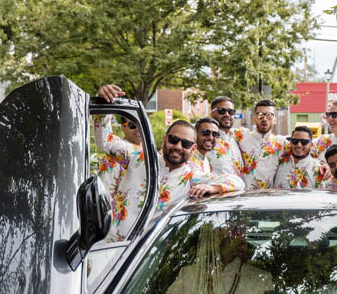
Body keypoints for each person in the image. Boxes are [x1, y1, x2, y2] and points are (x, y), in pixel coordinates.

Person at [99, 84, 245, 241]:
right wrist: (104, 103)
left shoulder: (191, 178)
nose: (178, 147)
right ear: (164, 139)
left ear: (193, 148)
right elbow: (105, 142)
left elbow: (237, 182)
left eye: (186, 144)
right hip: (108, 243)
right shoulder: (139, 156)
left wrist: (212, 187)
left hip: (140, 255)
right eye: (173, 140)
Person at [158, 223, 272, 294]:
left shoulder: (260, 279)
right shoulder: (187, 275)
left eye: (224, 236)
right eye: (212, 234)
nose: (215, 241)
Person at [234, 99, 288, 188]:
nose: (264, 118)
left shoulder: (281, 143)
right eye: (260, 115)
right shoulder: (241, 136)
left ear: (274, 120)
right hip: (244, 195)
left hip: (267, 197)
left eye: (269, 115)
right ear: (254, 118)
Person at [93, 113, 145, 197]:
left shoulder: (150, 152)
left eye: (142, 125)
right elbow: (106, 193)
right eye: (133, 125)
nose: (138, 128)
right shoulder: (112, 157)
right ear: (123, 127)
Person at [207, 95, 246, 180]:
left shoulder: (236, 140)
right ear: (212, 114)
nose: (227, 115)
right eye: (222, 111)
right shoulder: (205, 140)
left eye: (231, 112)